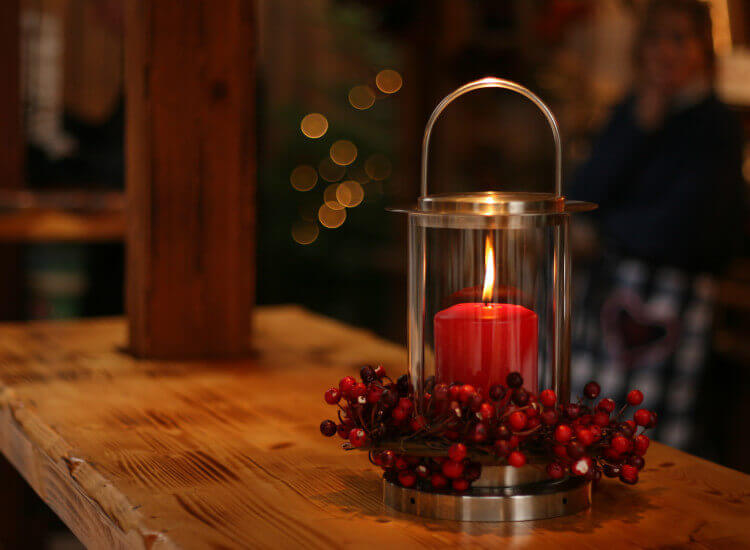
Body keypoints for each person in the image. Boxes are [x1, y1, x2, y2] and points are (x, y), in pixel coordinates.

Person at [568, 0, 747, 451]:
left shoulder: (716, 124)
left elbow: (686, 225)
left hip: (674, 303)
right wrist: (638, 124)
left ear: (702, 50)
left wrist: (606, 229)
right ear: (639, 49)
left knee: (653, 436)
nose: (665, 51)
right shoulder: (629, 112)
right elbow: (581, 196)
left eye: (679, 38)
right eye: (655, 38)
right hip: (607, 298)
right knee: (589, 424)